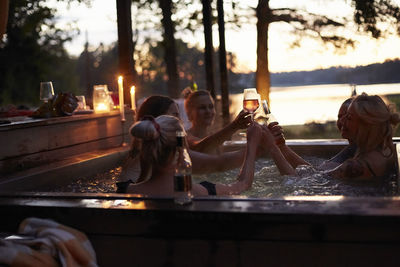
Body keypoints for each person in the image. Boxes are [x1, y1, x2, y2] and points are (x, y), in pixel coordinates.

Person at [120, 95, 265, 184]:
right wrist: (257, 146)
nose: (179, 121)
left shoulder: (142, 151)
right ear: (159, 121)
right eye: (174, 116)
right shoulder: (167, 152)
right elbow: (218, 163)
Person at [264, 93, 400, 180]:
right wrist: (281, 146)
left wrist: (272, 147)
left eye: (349, 117)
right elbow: (314, 173)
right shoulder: (383, 151)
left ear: (365, 126)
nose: (342, 122)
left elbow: (300, 182)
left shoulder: (354, 166)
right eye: (342, 117)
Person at [123, 115, 263, 196]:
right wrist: (253, 144)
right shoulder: (201, 191)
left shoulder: (124, 191)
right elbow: (243, 185)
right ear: (181, 150)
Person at [184, 90, 251, 153]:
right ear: (189, 113)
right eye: (202, 108)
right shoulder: (185, 137)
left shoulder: (214, 136)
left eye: (211, 107)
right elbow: (201, 147)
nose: (208, 111)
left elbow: (223, 158)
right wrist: (234, 126)